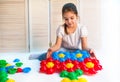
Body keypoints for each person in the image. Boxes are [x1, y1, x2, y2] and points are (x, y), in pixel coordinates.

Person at [29, 3, 96, 61]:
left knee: (86, 55)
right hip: (63, 50)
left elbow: (84, 47)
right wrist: (51, 49)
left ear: (77, 17)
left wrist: (90, 49)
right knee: (52, 54)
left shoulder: (82, 28)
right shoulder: (61, 28)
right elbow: (57, 45)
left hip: (76, 51)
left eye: (72, 18)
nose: (69, 21)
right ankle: (39, 56)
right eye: (66, 19)